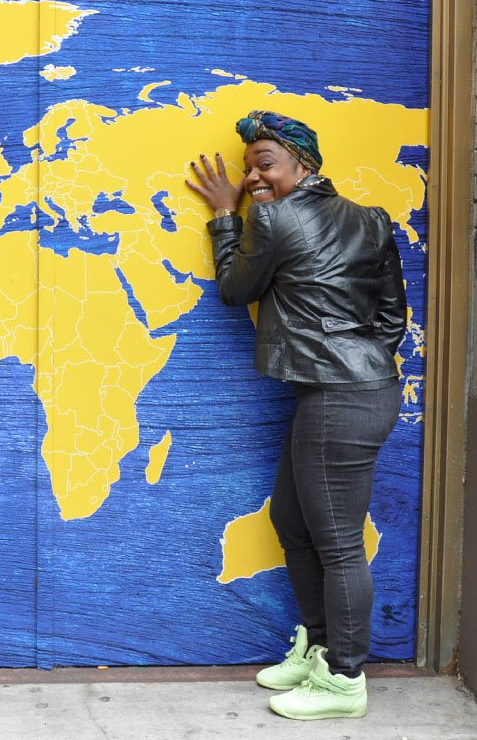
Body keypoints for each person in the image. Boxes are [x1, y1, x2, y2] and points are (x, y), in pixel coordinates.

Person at [186, 109, 407, 721]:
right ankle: (320, 647)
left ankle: (344, 680)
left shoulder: (273, 219)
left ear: (304, 165)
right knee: (293, 520)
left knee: (338, 544)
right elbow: (392, 317)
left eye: (266, 164)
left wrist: (225, 216)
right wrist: (358, 360)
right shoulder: (372, 220)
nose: (254, 177)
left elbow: (236, 290)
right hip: (348, 391)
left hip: (342, 397)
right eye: (248, 169)